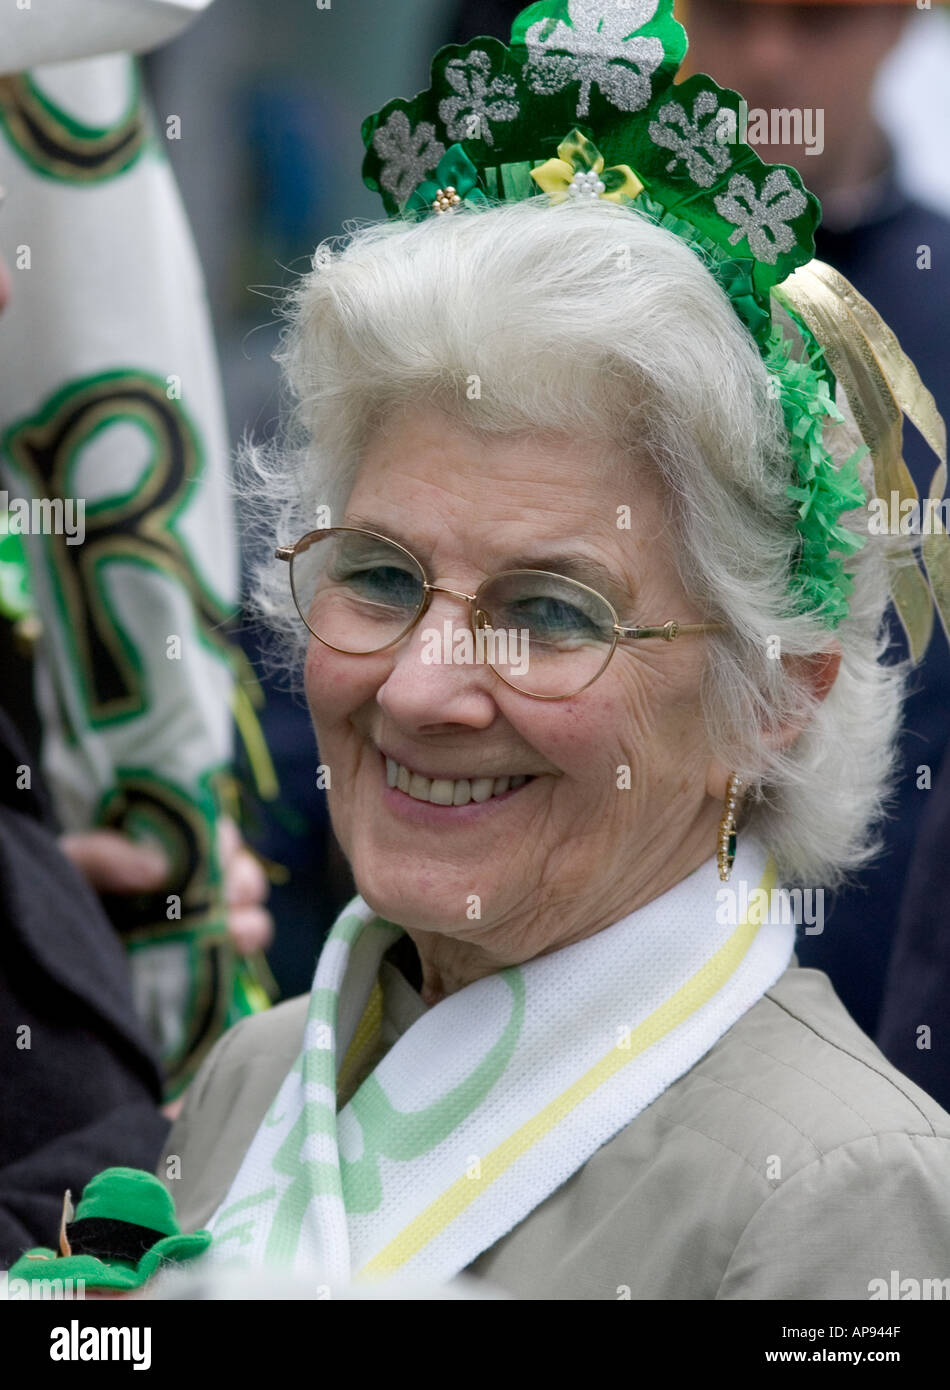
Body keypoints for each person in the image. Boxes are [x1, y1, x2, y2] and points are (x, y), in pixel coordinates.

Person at [159, 0, 947, 1297]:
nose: (419, 687)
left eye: (550, 612)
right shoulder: (261, 1073)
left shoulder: (840, 1197)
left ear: (775, 699)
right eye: (376, 576)